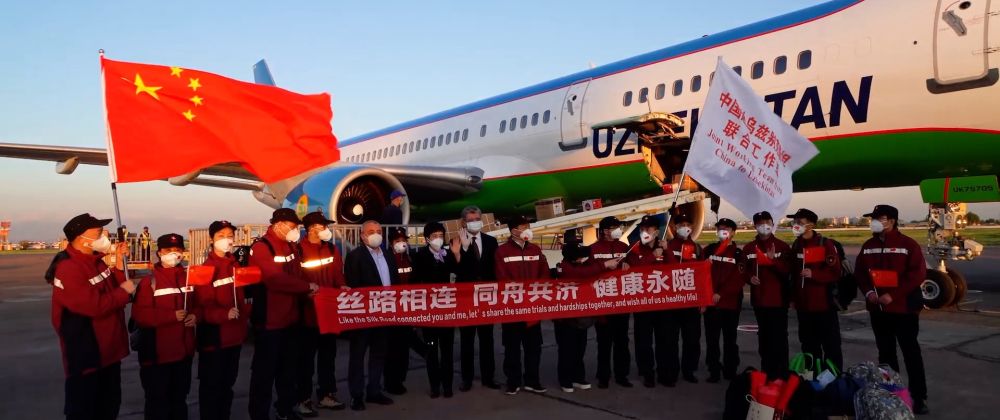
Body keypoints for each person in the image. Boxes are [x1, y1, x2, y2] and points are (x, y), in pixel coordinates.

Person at [47, 213, 133, 420]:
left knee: (109, 406)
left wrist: (119, 266)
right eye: (98, 233)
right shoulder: (69, 268)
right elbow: (94, 306)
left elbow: (112, 285)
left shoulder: (96, 261)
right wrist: (124, 293)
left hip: (108, 351)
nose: (104, 237)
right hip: (88, 354)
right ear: (80, 238)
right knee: (85, 410)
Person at [855, 205, 929, 415]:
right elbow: (860, 273)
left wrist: (893, 295)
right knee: (885, 354)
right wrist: (869, 293)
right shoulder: (868, 246)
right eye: (873, 219)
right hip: (878, 309)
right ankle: (891, 394)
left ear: (893, 221)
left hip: (904, 309)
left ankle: (918, 398)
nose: (874, 222)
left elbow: (917, 274)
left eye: (880, 218)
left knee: (911, 353)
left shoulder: (908, 245)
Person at [248, 208, 319, 420]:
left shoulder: (290, 246)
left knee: (287, 371)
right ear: (278, 225)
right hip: (270, 321)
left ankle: (285, 410)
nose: (295, 230)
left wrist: (307, 288)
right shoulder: (262, 247)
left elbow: (297, 273)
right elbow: (274, 280)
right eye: (292, 226)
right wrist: (306, 287)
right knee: (264, 373)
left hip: (290, 319)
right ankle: (259, 414)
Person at [132, 233, 197, 420]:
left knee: (179, 401)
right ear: (159, 253)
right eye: (168, 250)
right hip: (157, 357)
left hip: (183, 354)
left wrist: (195, 316)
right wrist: (171, 316)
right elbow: (140, 315)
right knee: (157, 403)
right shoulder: (149, 283)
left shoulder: (189, 278)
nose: (173, 254)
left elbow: (197, 304)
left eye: (177, 250)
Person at [195, 220, 250, 420]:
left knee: (227, 385)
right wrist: (223, 314)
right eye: (221, 236)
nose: (227, 240)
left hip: (234, 337)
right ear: (211, 239)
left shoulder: (235, 265)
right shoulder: (206, 268)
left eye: (230, 236)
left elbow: (242, 298)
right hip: (215, 338)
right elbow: (202, 307)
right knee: (212, 387)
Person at [294, 212, 347, 416]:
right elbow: (295, 279)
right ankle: (303, 398)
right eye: (323, 226)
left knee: (328, 357)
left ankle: (326, 394)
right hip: (307, 315)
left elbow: (337, 275)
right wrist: (306, 293)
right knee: (305, 360)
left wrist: (342, 286)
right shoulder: (298, 251)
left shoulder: (332, 249)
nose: (326, 229)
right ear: (311, 228)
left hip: (328, 313)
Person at [344, 220, 398, 411]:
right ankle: (356, 395)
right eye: (371, 231)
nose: (376, 234)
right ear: (362, 236)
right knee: (358, 356)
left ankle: (374, 391)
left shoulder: (388, 255)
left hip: (384, 313)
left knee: (378, 354)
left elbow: (394, 282)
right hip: (364, 315)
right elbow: (353, 285)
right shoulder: (355, 256)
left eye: (379, 231)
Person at [495, 215, 550, 395]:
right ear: (513, 231)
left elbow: (544, 272)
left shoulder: (535, 249)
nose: (527, 230)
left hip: (532, 306)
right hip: (512, 307)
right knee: (512, 347)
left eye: (528, 226)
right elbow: (502, 277)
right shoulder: (502, 251)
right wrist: (519, 294)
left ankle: (532, 380)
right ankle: (513, 381)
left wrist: (536, 291)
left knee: (534, 347)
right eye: (523, 226)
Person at [787, 208, 844, 372]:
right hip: (803, 306)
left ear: (811, 225)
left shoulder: (825, 244)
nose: (796, 225)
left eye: (800, 222)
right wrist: (793, 298)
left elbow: (835, 272)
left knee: (830, 344)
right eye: (795, 222)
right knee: (808, 344)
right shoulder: (797, 244)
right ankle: (812, 375)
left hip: (824, 305)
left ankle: (833, 377)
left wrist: (814, 274)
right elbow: (793, 274)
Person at [452, 205, 500, 391]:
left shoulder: (491, 241)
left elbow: (495, 268)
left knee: (487, 339)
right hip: (467, 298)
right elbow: (456, 270)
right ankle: (467, 379)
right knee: (467, 340)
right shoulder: (456, 241)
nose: (474, 223)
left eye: (477, 219)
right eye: (470, 220)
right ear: (464, 222)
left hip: (486, 297)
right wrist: (462, 250)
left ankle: (489, 377)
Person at [411, 222, 460, 398]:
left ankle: (447, 386)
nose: (438, 239)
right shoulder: (419, 256)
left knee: (447, 351)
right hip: (429, 311)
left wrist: (456, 255)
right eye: (434, 236)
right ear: (427, 239)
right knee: (431, 349)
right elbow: (415, 281)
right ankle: (434, 386)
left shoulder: (449, 254)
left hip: (446, 310)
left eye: (440, 236)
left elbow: (459, 275)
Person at [742, 211, 792, 379]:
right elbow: (743, 270)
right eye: (760, 223)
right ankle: (767, 373)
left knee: (779, 340)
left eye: (767, 222)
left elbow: (788, 272)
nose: (764, 226)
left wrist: (772, 261)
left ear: (772, 223)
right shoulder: (749, 248)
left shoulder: (782, 247)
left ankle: (782, 375)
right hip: (759, 301)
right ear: (755, 226)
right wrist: (749, 278)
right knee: (764, 340)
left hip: (778, 301)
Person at [627, 216, 672, 388]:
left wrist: (667, 251)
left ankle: (664, 372)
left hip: (662, 303)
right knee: (643, 342)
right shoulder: (635, 249)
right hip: (643, 303)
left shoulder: (664, 247)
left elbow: (676, 269)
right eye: (642, 229)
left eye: (648, 229)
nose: (644, 232)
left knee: (664, 340)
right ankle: (647, 373)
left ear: (657, 231)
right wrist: (653, 256)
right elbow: (636, 269)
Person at [589, 216, 633, 388]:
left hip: (621, 301)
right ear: (605, 231)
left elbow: (634, 268)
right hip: (603, 302)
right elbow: (588, 272)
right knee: (604, 342)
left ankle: (622, 375)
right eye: (614, 228)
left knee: (622, 341)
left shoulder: (624, 247)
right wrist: (605, 266)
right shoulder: (593, 249)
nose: (617, 230)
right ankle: (603, 376)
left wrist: (628, 267)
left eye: (618, 227)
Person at [554, 230, 599, 393]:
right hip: (565, 318)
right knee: (567, 349)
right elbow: (579, 274)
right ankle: (565, 379)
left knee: (580, 348)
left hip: (580, 316)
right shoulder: (564, 268)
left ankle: (578, 377)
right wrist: (604, 265)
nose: (583, 259)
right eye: (580, 256)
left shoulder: (581, 266)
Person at [662, 214, 704, 385]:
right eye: (681, 224)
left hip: (691, 302)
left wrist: (703, 300)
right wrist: (666, 251)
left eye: (688, 224)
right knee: (669, 341)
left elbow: (702, 276)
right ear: (674, 227)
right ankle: (670, 373)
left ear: (692, 227)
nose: (685, 227)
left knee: (692, 340)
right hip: (672, 302)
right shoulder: (667, 246)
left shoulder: (697, 249)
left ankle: (689, 370)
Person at [702, 218, 745, 383]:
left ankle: (730, 369)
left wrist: (721, 293)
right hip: (711, 302)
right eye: (719, 228)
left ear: (733, 232)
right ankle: (713, 369)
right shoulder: (709, 250)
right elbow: (701, 273)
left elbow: (738, 278)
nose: (722, 231)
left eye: (726, 228)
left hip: (730, 303)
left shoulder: (738, 254)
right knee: (712, 340)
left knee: (730, 339)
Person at [383, 227, 421, 395]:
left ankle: (400, 379)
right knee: (393, 348)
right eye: (397, 241)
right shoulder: (386, 259)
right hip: (392, 309)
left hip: (408, 308)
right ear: (391, 243)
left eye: (403, 240)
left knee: (404, 347)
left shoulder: (410, 258)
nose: (402, 244)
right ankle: (391, 381)